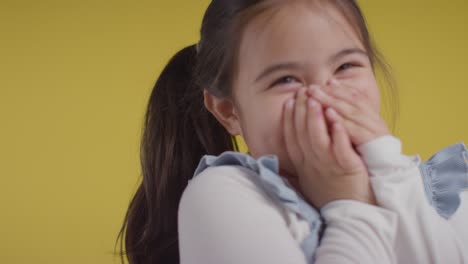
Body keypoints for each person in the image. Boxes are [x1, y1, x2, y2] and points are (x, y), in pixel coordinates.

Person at [116, 0, 468, 263]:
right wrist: (348, 202)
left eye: (346, 66)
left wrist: (389, 168)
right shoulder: (222, 196)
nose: (323, 96)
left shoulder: (430, 187)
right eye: (286, 79)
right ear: (229, 110)